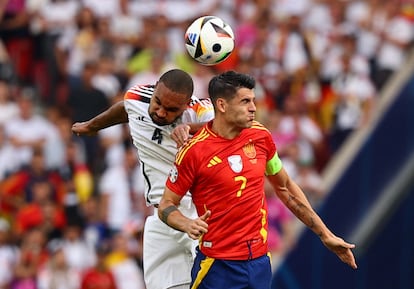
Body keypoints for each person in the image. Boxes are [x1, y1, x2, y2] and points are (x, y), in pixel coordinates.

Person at [158, 70, 357, 289]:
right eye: (245, 101)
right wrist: (186, 223)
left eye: (253, 101)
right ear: (222, 105)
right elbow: (166, 204)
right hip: (218, 267)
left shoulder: (260, 136)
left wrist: (325, 234)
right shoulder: (194, 152)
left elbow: (286, 187)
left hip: (259, 264)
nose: (253, 107)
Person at [72, 68, 214, 289]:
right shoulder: (136, 97)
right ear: (154, 87)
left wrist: (191, 128)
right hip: (161, 215)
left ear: (186, 105)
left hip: (195, 211)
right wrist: (92, 126)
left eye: (171, 109)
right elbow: (124, 109)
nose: (160, 112)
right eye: (158, 102)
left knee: (214, 279)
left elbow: (231, 127)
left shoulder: (200, 111)